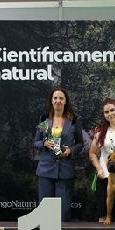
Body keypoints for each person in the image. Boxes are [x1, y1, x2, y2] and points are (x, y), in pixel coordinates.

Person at [34, 87, 84, 222]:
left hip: (65, 171)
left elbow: (80, 144)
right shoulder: (44, 119)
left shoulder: (74, 121)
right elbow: (36, 142)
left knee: (63, 213)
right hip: (45, 171)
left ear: (66, 101)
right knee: (45, 213)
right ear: (51, 100)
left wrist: (70, 151)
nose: (58, 101)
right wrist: (44, 143)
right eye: (55, 98)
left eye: (61, 98)